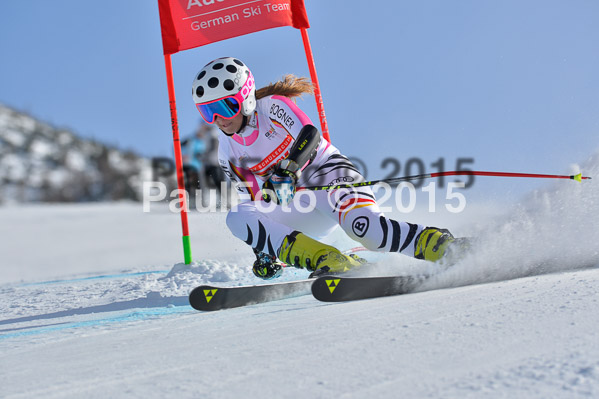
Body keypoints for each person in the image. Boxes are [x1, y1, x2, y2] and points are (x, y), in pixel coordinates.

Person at [192, 57, 464, 279]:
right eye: (207, 112)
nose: (218, 119)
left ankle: (443, 246)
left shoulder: (271, 107)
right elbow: (252, 201)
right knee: (237, 216)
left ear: (245, 98)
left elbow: (309, 134)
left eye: (224, 108)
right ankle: (330, 260)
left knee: (369, 233)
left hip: (328, 175)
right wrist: (263, 252)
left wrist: (288, 170)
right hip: (296, 207)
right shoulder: (227, 152)